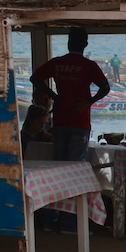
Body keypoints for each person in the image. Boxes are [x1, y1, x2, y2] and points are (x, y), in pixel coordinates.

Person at [30, 27, 109, 163]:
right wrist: (88, 101)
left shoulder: (57, 63)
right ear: (85, 44)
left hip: (60, 119)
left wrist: (54, 96)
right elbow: (105, 87)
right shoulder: (89, 66)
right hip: (80, 120)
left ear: (68, 43)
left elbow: (35, 78)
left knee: (59, 163)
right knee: (76, 165)